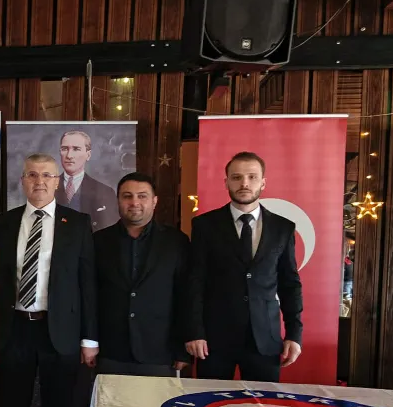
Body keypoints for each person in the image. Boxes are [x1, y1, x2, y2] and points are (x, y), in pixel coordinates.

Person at [0, 153, 98, 407]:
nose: (39, 181)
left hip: (61, 332)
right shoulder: (4, 223)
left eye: (47, 176)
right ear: (22, 180)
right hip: (16, 329)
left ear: (58, 181)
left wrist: (89, 339)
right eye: (32, 175)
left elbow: (88, 285)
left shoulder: (78, 223)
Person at [185, 151, 304, 382]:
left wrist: (294, 334)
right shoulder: (204, 226)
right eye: (237, 177)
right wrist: (194, 332)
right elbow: (195, 281)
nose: (244, 183)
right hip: (214, 339)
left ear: (263, 182)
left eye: (252, 177)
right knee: (209, 406)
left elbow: (290, 284)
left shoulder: (283, 228)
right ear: (226, 181)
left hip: (265, 338)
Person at [94, 173, 190, 376]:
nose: (134, 202)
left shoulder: (176, 242)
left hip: (159, 352)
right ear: (118, 200)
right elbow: (88, 295)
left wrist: (182, 349)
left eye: (142, 196)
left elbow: (186, 297)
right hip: (110, 351)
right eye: (127, 196)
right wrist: (89, 342)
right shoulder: (98, 241)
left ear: (155, 201)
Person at [54, 130, 118, 231]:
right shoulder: (46, 188)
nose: (69, 155)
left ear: (88, 155)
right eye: (65, 149)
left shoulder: (105, 192)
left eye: (76, 149)